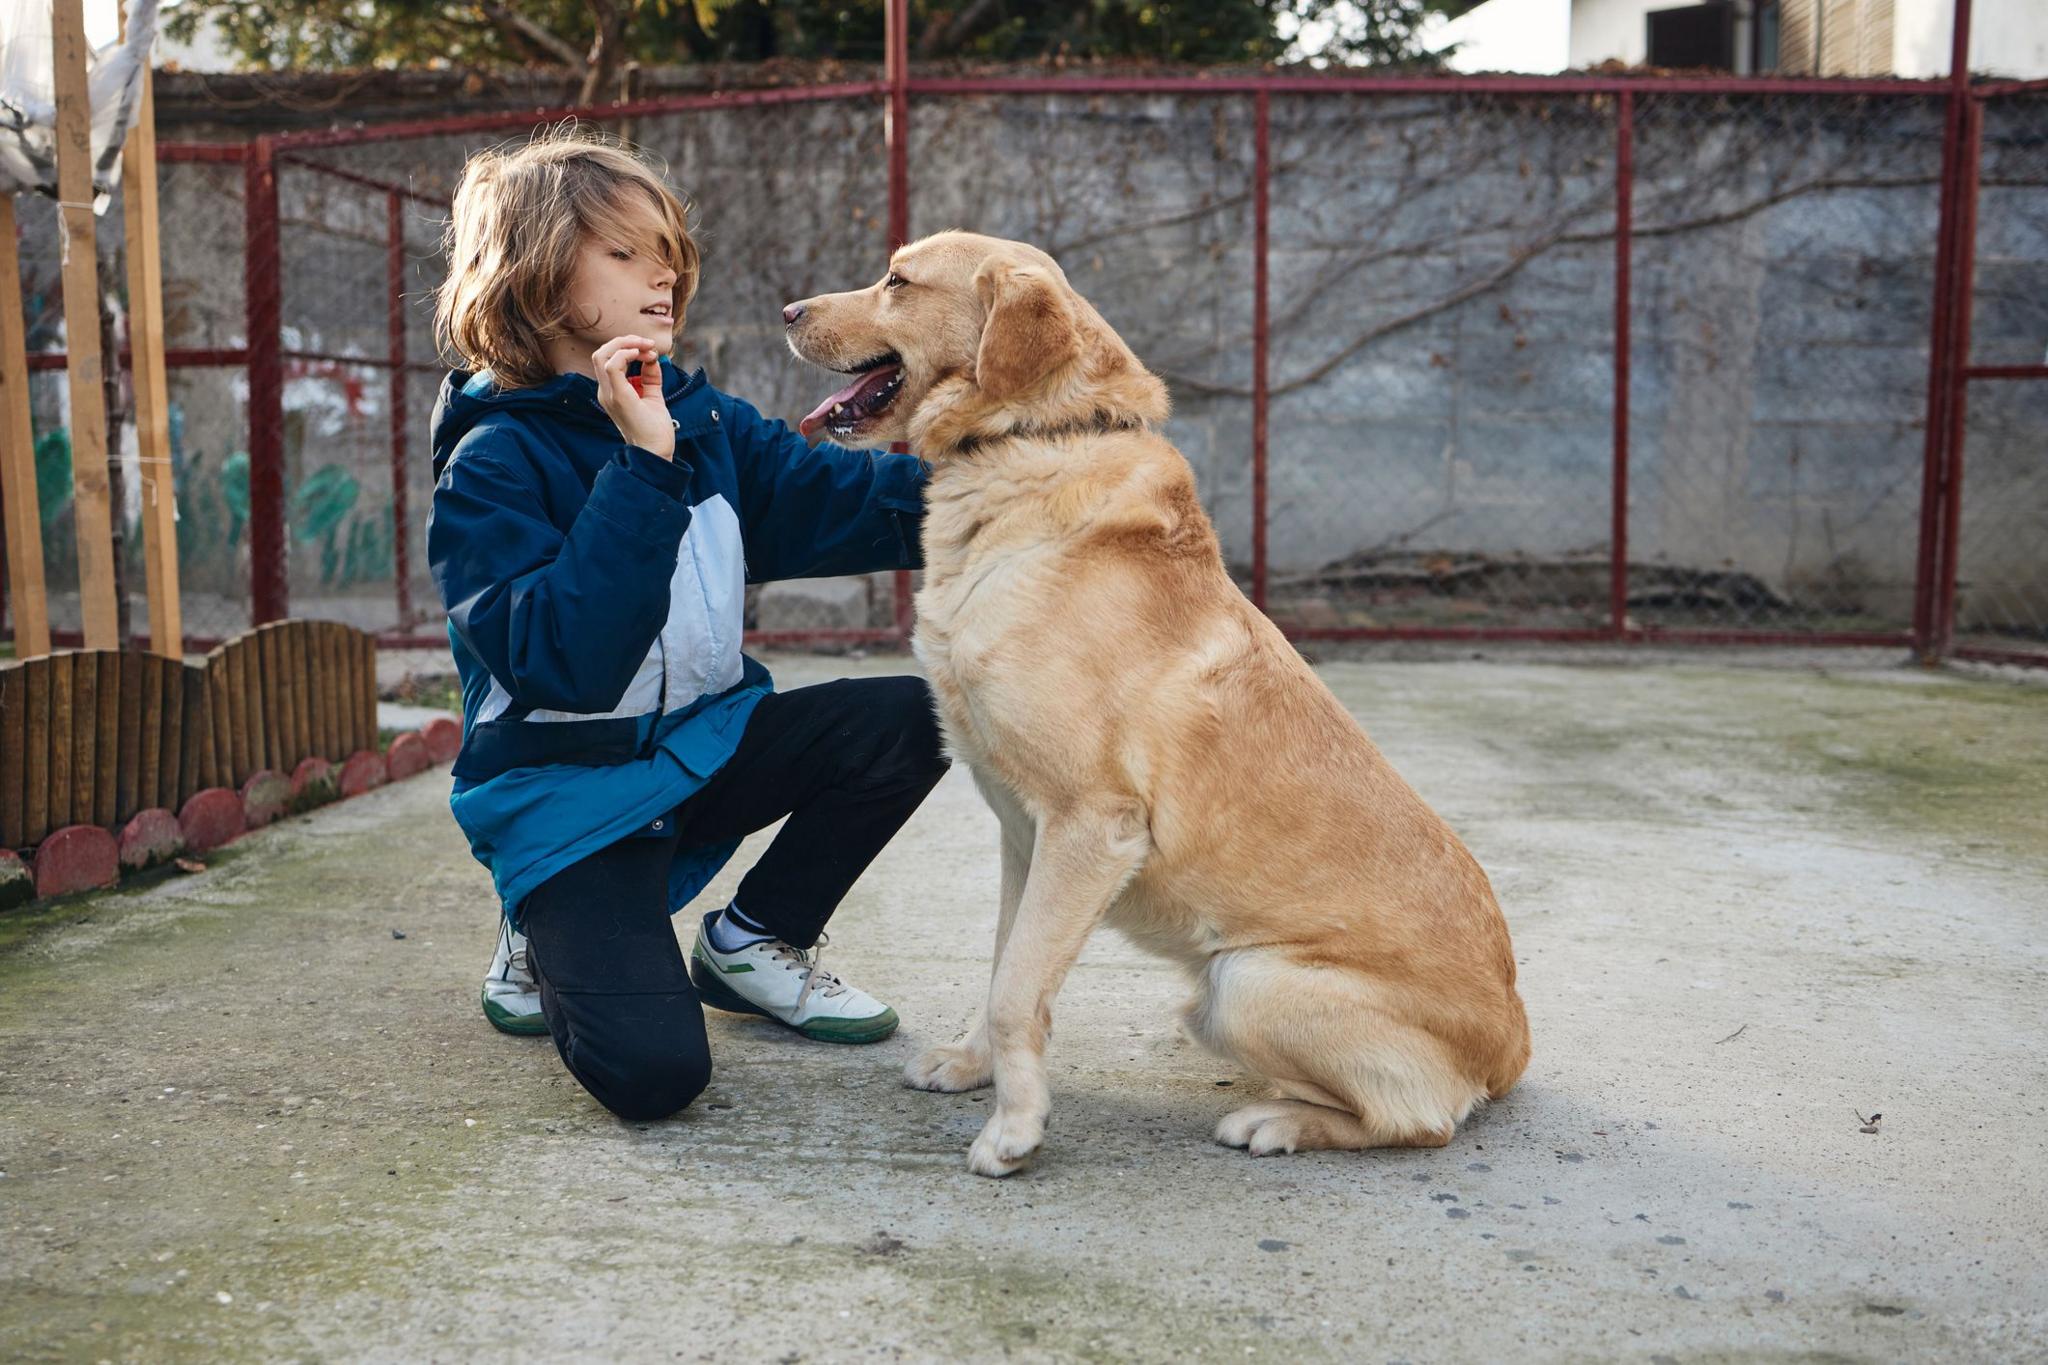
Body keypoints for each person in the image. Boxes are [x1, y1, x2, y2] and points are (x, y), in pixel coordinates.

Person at [426, 129, 946, 1121]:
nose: (661, 274)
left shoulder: (701, 419)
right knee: (654, 1077)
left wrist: (1027, 484)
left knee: (918, 716)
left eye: (665, 251)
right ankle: (540, 919)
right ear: (535, 278)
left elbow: (843, 498)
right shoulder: (491, 467)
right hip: (567, 802)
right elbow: (563, 662)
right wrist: (644, 468)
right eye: (623, 254)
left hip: (700, 752)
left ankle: (753, 939)